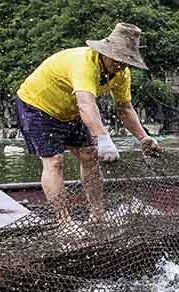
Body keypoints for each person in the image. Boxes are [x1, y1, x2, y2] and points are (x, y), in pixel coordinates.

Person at [15, 23, 159, 226]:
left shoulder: (121, 73)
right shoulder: (84, 62)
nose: (121, 65)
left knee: (90, 155)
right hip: (38, 106)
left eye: (127, 61)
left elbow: (125, 108)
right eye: (118, 59)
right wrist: (103, 138)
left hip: (70, 110)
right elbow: (86, 103)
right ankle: (65, 224)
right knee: (55, 161)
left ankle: (97, 216)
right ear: (106, 53)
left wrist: (143, 137)